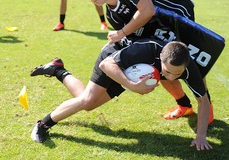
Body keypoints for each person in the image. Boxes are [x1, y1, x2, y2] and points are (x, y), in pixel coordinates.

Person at [29, 39, 216, 151]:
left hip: (131, 73)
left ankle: (58, 70)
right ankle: (43, 124)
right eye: (167, 72)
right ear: (160, 58)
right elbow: (107, 65)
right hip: (112, 60)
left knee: (87, 101)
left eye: (178, 73)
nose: (172, 77)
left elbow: (203, 100)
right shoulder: (147, 49)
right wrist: (132, 86)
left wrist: (200, 136)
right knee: (86, 101)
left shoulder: (188, 68)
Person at [79, 0, 212, 122]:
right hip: (158, 26)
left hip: (179, 14)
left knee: (190, 61)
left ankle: (206, 105)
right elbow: (136, 37)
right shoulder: (112, 15)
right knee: (160, 60)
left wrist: (121, 33)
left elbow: (147, 10)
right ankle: (184, 105)